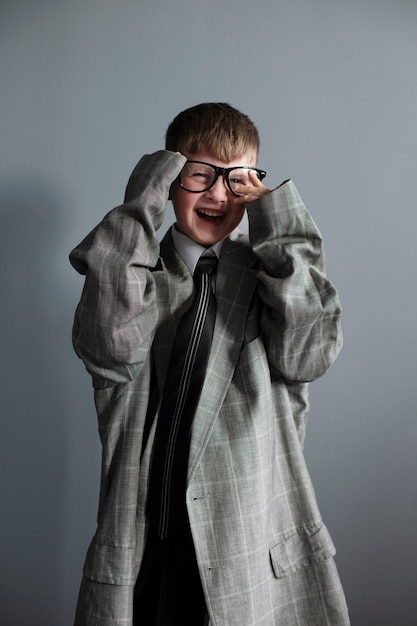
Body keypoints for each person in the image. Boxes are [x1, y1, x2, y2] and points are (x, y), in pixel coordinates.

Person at [70, 102, 350, 625]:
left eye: (237, 181)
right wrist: (143, 199)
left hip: (252, 555)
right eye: (199, 176)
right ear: (170, 179)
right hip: (145, 552)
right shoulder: (134, 278)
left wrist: (275, 219)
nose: (219, 194)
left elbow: (309, 353)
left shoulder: (274, 279)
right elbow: (107, 345)